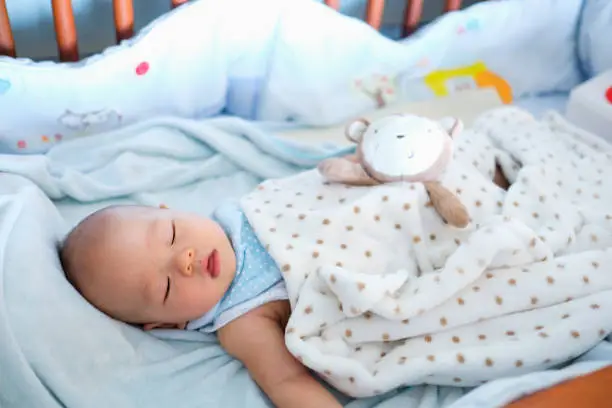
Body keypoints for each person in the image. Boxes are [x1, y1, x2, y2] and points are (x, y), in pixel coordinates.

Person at [59, 202, 342, 408]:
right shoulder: (242, 320)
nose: (185, 259)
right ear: (169, 323)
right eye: (166, 287)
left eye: (171, 234)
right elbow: (287, 381)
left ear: (170, 209)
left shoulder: (247, 209)